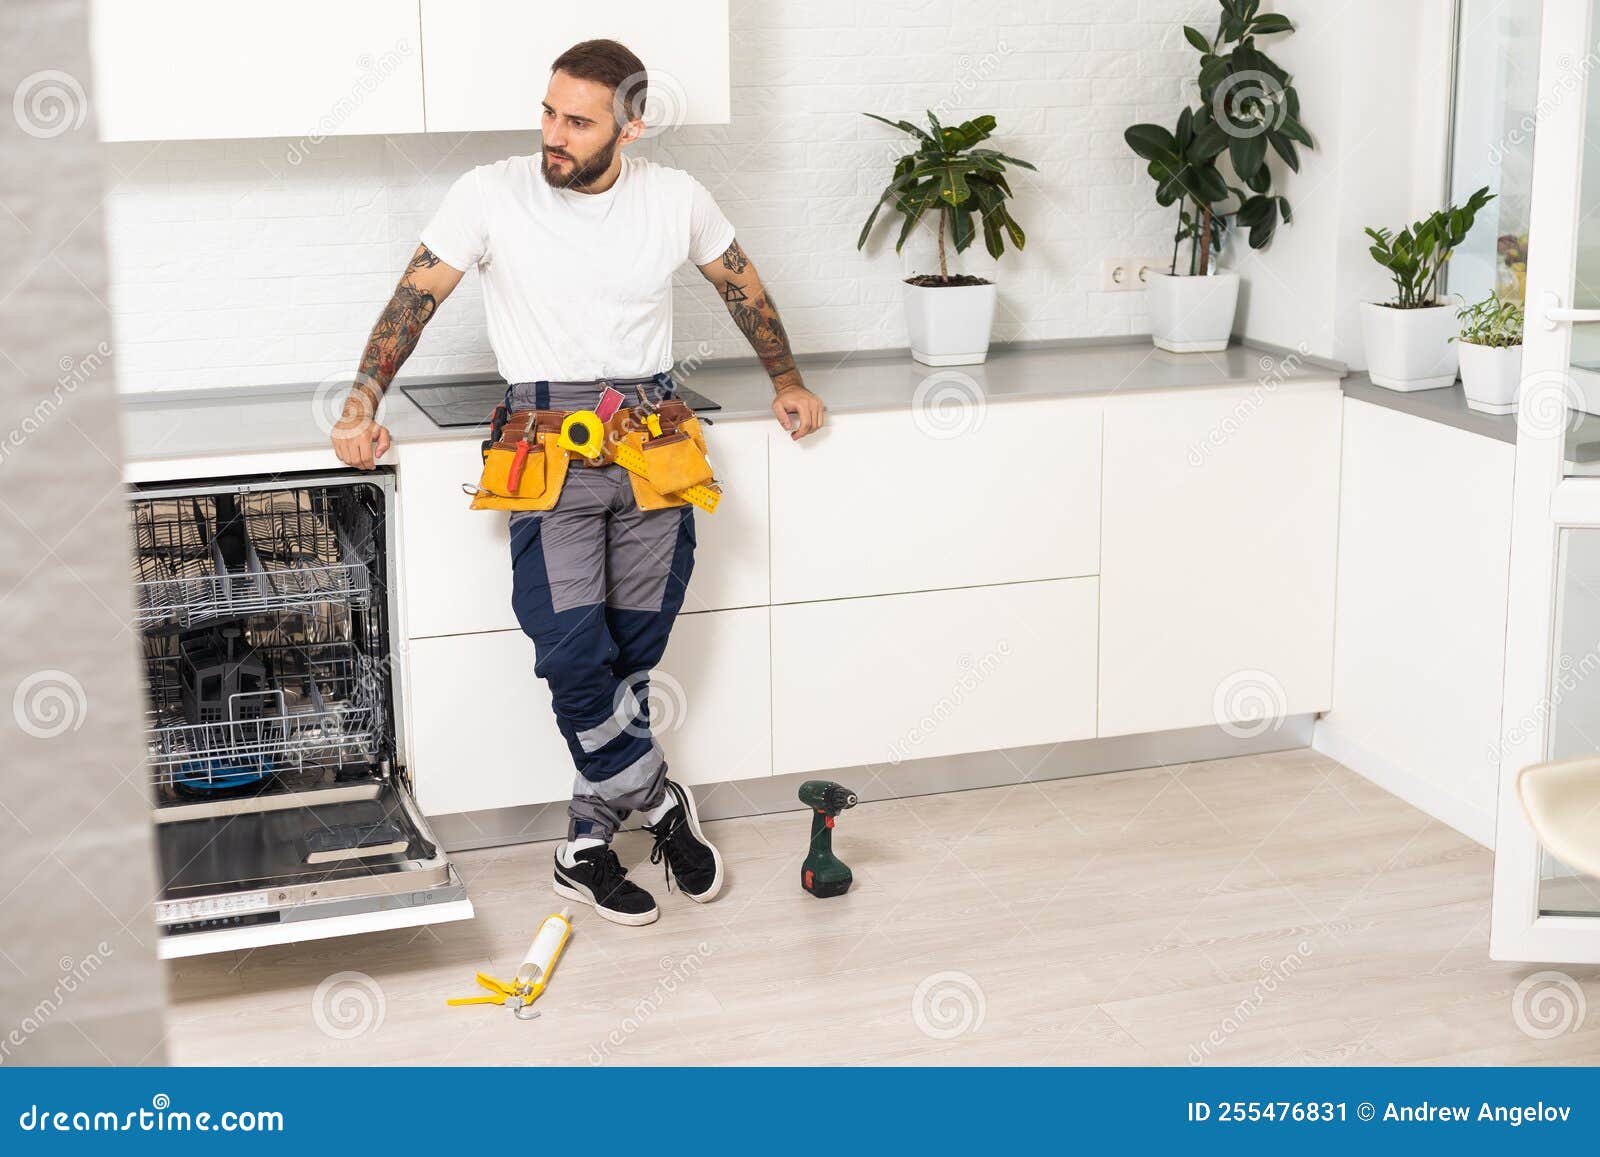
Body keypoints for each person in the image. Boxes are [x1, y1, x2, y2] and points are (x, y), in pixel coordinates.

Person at [329, 39, 825, 925]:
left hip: (654, 444)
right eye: (549, 112)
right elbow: (416, 297)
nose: (553, 135)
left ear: (629, 128)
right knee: (569, 649)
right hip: (543, 446)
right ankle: (661, 800)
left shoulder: (676, 199)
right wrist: (363, 400)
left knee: (633, 651)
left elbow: (741, 286)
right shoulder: (489, 192)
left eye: (579, 121)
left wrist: (787, 380)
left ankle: (584, 845)